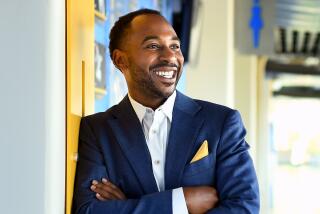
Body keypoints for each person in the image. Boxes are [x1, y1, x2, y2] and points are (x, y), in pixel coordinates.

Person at [72, 8, 259, 214]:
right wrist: (181, 203)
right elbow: (89, 211)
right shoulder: (97, 130)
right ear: (120, 60)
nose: (170, 56)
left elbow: (244, 208)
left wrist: (128, 205)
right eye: (153, 46)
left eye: (175, 46)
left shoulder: (221, 122)